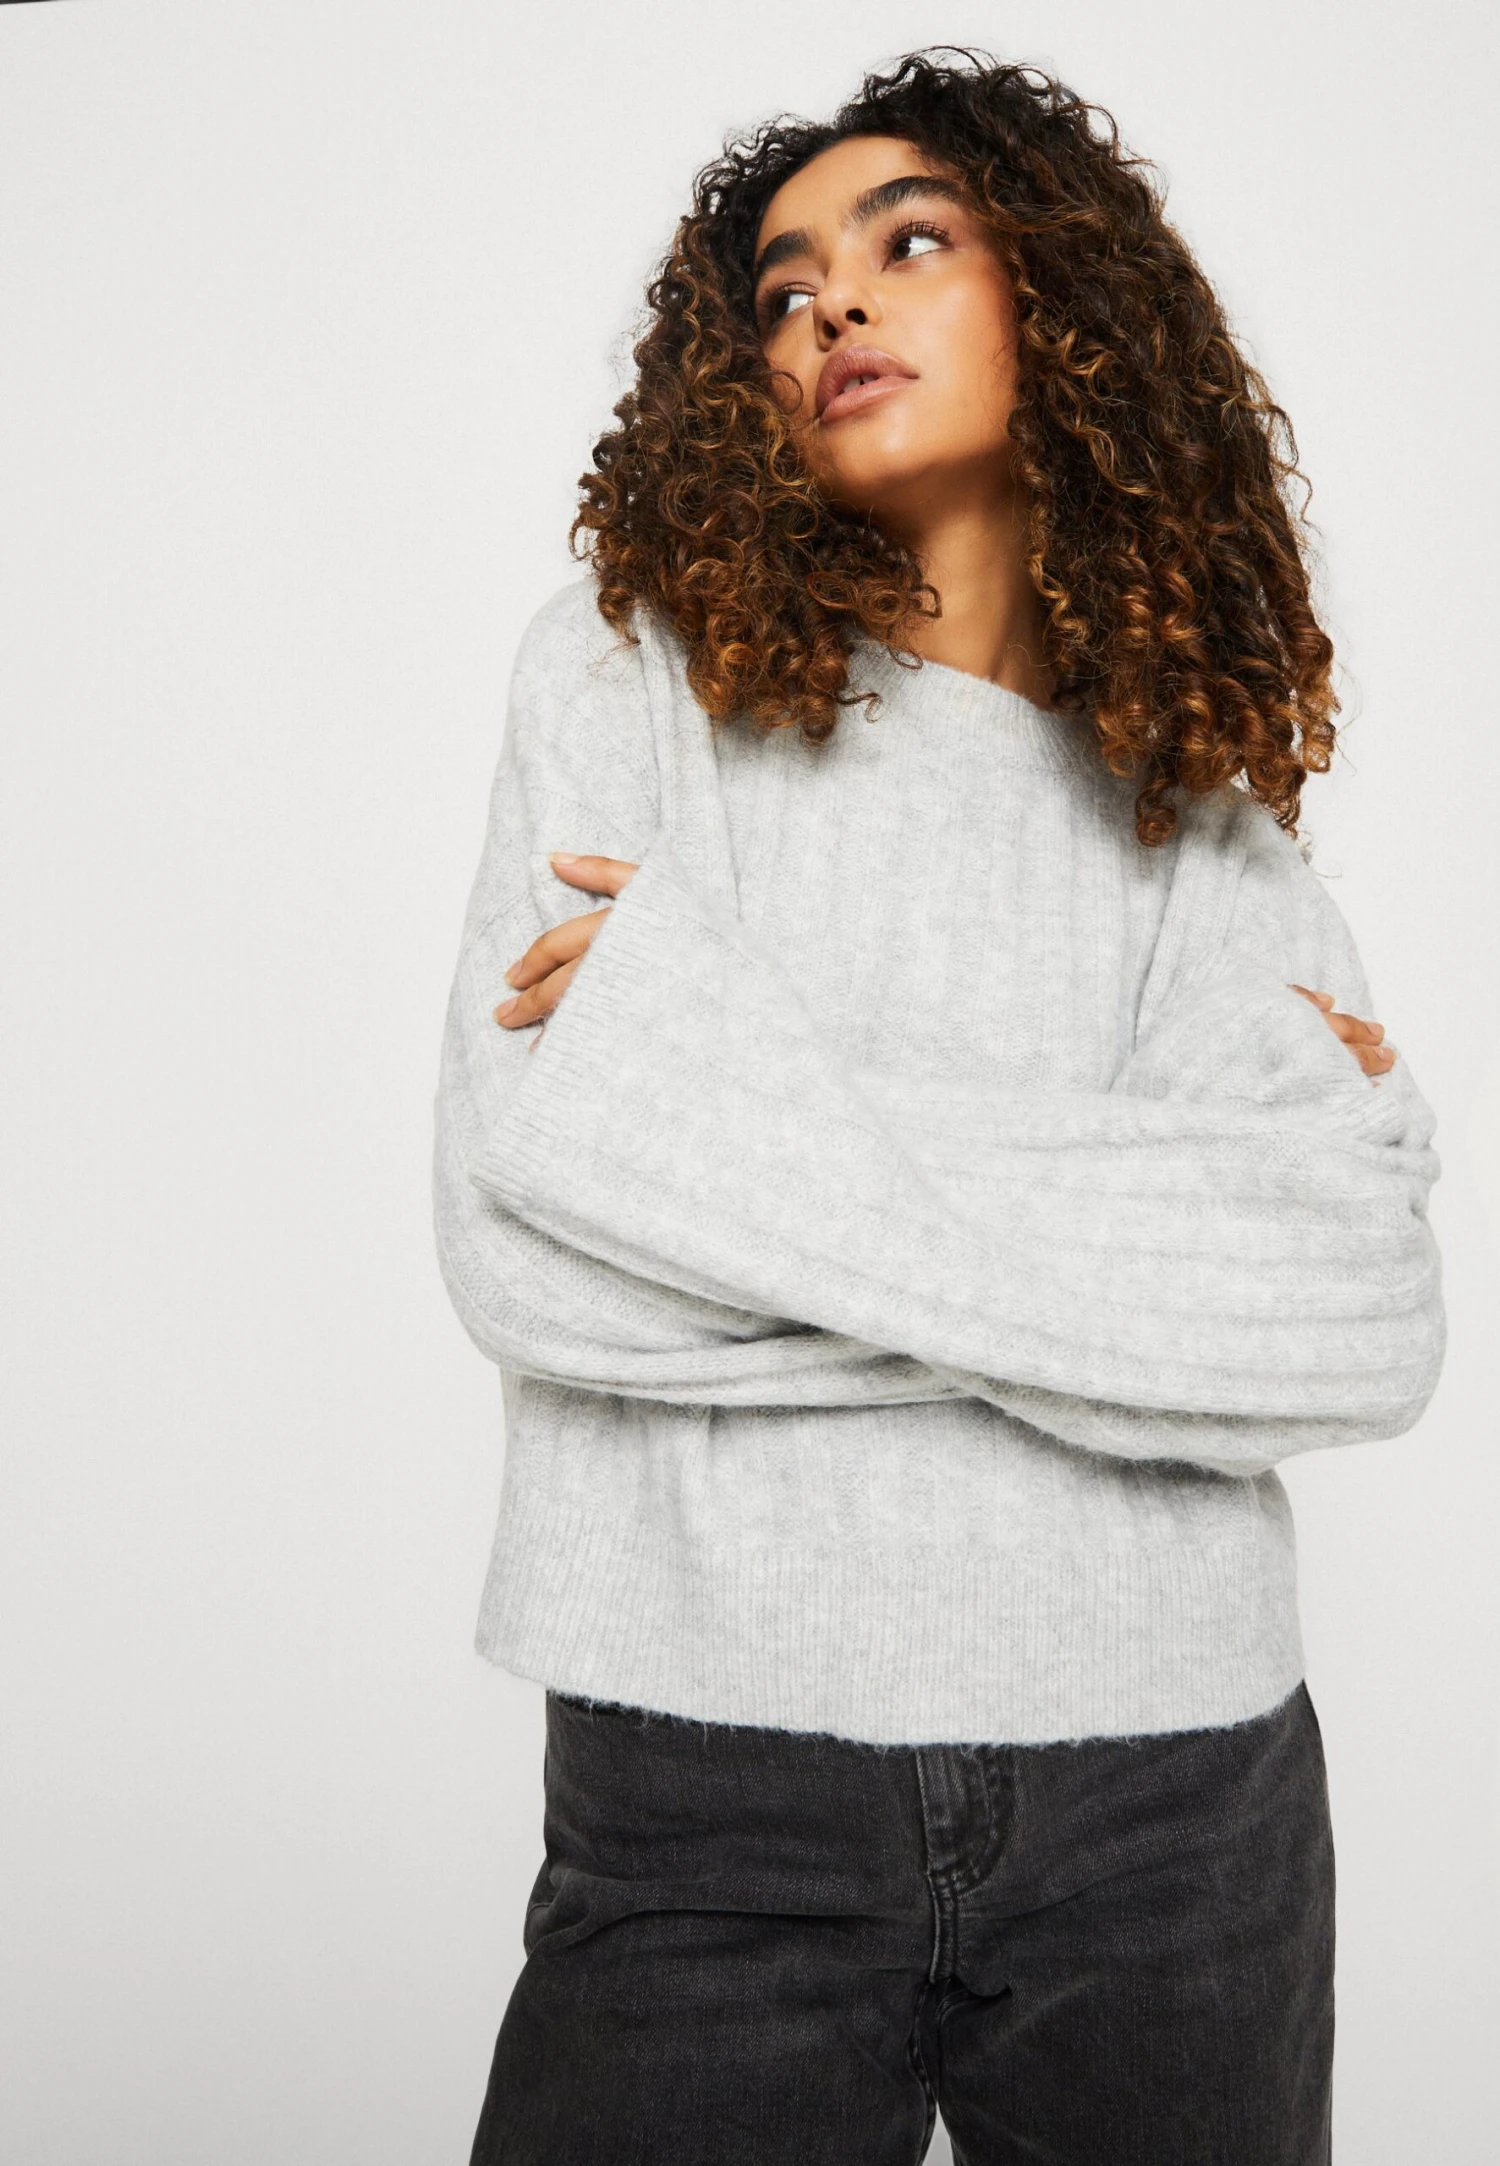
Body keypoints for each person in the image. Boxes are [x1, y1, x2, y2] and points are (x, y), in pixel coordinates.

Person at [431, 48, 1445, 2166]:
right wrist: (1147, 1262)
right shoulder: (625, 681)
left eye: (910, 240)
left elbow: (1358, 1313)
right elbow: (532, 1243)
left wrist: (710, 1103)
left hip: (1182, 1800)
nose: (831, 303)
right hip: (710, 1786)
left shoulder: (1204, 806)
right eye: (782, 288)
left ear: (1064, 303)